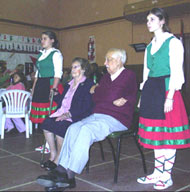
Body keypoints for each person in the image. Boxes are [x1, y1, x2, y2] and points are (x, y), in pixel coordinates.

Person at [36, 48, 137, 191]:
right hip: (98, 115)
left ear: (119, 61)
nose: (105, 63)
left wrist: (101, 91)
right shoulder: (106, 77)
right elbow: (96, 97)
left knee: (85, 130)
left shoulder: (129, 75)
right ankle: (62, 169)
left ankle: (69, 175)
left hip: (116, 118)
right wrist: (103, 93)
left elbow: (106, 94)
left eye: (109, 60)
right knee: (73, 128)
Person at [136, 8, 190, 190]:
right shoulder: (150, 46)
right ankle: (157, 172)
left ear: (162, 21)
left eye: (151, 19)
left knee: (168, 136)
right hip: (152, 90)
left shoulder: (173, 43)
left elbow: (177, 72)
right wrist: (142, 96)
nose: (148, 22)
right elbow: (146, 73)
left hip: (167, 90)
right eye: (147, 20)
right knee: (156, 136)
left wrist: (170, 97)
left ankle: (167, 176)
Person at [40, 57, 94, 171]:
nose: (72, 70)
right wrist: (55, 95)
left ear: (83, 69)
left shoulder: (88, 84)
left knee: (61, 127)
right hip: (62, 113)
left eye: (76, 67)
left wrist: (68, 115)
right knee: (46, 124)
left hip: (76, 116)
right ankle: (53, 154)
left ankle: (59, 158)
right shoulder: (69, 84)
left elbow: (86, 106)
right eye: (72, 67)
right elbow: (63, 101)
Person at [30, 31, 63, 124]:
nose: (42, 41)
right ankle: (47, 137)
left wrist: (54, 89)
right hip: (40, 85)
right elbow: (38, 73)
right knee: (42, 118)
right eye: (41, 39)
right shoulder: (41, 54)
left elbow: (58, 73)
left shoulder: (56, 54)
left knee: (51, 116)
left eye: (45, 38)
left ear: (52, 40)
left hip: (51, 85)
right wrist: (33, 89)